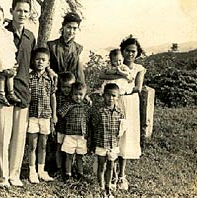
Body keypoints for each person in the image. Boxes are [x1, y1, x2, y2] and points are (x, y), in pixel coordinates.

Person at [0, 0, 36, 188]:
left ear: (29, 13)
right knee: (2, 134)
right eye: (19, 10)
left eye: (26, 11)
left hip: (22, 89)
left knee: (18, 136)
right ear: (11, 11)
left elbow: (34, 62)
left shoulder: (30, 36)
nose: (22, 14)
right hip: (1, 90)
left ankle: (14, 174)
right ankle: (1, 175)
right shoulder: (0, 31)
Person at [100, 35, 146, 190]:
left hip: (129, 103)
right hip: (115, 103)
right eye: (127, 50)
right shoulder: (116, 64)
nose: (130, 54)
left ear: (137, 52)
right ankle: (111, 174)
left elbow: (137, 88)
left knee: (125, 138)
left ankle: (122, 176)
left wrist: (123, 88)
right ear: (122, 51)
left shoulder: (139, 69)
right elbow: (103, 75)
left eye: (133, 51)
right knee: (113, 137)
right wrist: (120, 74)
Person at [91, 83, 126, 198]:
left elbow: (121, 129)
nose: (110, 98)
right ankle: (101, 188)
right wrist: (93, 142)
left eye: (113, 96)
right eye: (107, 95)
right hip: (101, 143)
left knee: (111, 166)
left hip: (113, 145)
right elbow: (94, 126)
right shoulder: (99, 111)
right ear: (103, 95)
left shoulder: (119, 112)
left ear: (118, 97)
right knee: (102, 166)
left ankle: (108, 186)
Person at [27, 47, 57, 183]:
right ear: (33, 61)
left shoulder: (50, 78)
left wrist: (54, 115)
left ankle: (41, 170)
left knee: (43, 145)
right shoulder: (29, 77)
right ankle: (32, 171)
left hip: (45, 115)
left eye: (43, 60)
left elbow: (52, 97)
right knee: (32, 145)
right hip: (32, 115)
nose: (40, 62)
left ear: (48, 62)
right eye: (38, 59)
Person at [58, 82, 90, 180]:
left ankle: (80, 174)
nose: (78, 97)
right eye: (75, 94)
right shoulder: (68, 104)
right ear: (72, 94)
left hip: (81, 135)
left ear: (84, 95)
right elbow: (60, 113)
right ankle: (68, 174)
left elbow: (89, 119)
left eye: (80, 94)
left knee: (80, 156)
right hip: (70, 135)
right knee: (69, 155)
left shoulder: (86, 106)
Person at [47, 12, 85, 82]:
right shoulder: (51, 46)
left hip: (70, 87)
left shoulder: (78, 49)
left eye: (74, 28)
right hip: (53, 84)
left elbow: (79, 73)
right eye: (69, 27)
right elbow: (45, 66)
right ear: (63, 27)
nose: (71, 31)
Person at [55, 72, 76, 176]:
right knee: (59, 147)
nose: (66, 90)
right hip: (61, 126)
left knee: (70, 150)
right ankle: (59, 168)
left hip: (72, 128)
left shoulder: (75, 97)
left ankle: (70, 168)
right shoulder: (58, 96)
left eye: (69, 87)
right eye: (64, 87)